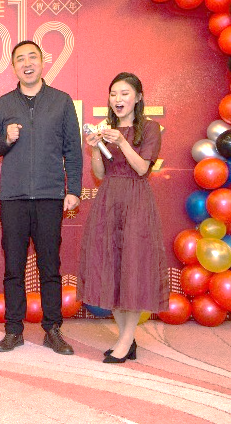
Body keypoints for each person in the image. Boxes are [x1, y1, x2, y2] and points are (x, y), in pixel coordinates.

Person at [0, 40, 82, 355]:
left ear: (42, 62)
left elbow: (73, 149)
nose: (27, 64)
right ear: (14, 67)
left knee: (49, 266)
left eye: (32, 57)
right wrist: (5, 139)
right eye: (20, 59)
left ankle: (52, 330)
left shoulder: (61, 101)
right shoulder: (3, 104)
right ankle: (13, 330)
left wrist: (73, 189)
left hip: (49, 196)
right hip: (13, 198)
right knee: (13, 267)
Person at [77, 72, 168, 363]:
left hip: (136, 201)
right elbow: (100, 174)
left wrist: (122, 142)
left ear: (138, 97)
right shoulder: (107, 129)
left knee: (133, 268)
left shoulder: (150, 128)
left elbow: (142, 169)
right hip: (109, 200)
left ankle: (126, 340)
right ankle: (126, 339)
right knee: (112, 268)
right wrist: (95, 147)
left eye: (125, 93)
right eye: (113, 93)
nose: (118, 99)